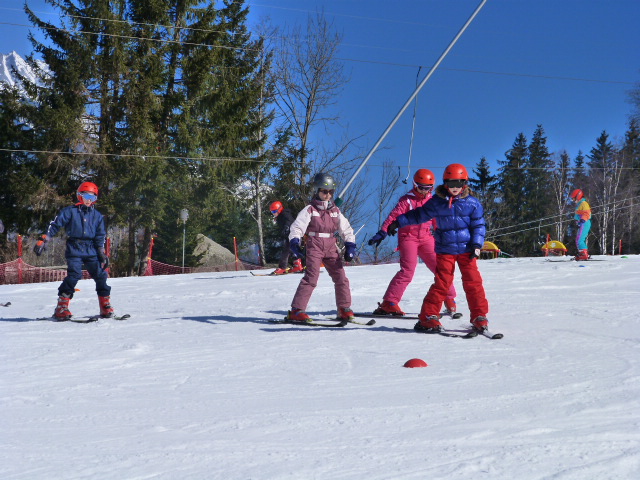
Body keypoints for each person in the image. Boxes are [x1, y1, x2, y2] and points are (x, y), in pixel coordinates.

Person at [387, 163, 490, 334]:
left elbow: (479, 225)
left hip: (467, 250)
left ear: (465, 183)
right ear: (445, 183)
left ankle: (479, 316)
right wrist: (398, 222)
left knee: (474, 283)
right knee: (442, 283)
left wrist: (477, 245)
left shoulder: (472, 203)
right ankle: (428, 317)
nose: (454, 188)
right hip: (445, 250)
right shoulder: (437, 202)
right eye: (450, 184)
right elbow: (419, 214)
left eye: (458, 184)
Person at [368, 169, 457, 316]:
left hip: (426, 237)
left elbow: (438, 221)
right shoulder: (406, 200)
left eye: (428, 188)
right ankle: (389, 302)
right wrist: (383, 232)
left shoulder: (432, 201)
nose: (423, 191)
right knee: (408, 271)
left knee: (441, 268)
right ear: (415, 185)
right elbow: (393, 217)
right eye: (420, 187)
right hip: (408, 237)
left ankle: (449, 299)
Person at [33, 182, 114, 319]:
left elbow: (100, 235)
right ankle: (61, 307)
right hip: (74, 248)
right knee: (74, 275)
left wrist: (101, 251)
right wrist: (45, 239)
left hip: (91, 249)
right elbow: (55, 225)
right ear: (79, 196)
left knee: (100, 275)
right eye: (87, 196)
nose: (89, 200)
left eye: (93, 198)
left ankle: (105, 305)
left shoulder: (97, 216)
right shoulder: (70, 211)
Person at [286, 173, 357, 322]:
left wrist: (350, 245)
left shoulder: (335, 211)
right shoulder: (310, 210)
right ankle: (297, 310)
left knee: (341, 277)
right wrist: (295, 242)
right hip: (315, 244)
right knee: (311, 277)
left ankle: (344, 308)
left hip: (331, 245)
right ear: (317, 191)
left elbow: (346, 229)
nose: (328, 195)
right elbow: (297, 227)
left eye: (331, 192)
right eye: (325, 191)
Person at [270, 200, 304, 275]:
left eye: (274, 211)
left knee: (286, 251)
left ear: (279, 209)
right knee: (293, 251)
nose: (274, 213)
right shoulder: (280, 216)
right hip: (291, 235)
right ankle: (298, 266)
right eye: (272, 212)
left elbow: (289, 221)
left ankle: (282, 268)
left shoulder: (285, 214)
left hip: (293, 235)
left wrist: (286, 227)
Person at [570, 188, 591, 261]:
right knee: (578, 239)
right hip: (582, 223)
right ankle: (582, 253)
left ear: (578, 196)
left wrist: (582, 220)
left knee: (579, 239)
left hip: (585, 223)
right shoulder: (580, 204)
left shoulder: (583, 203)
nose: (573, 200)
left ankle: (584, 254)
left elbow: (587, 214)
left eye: (573, 198)